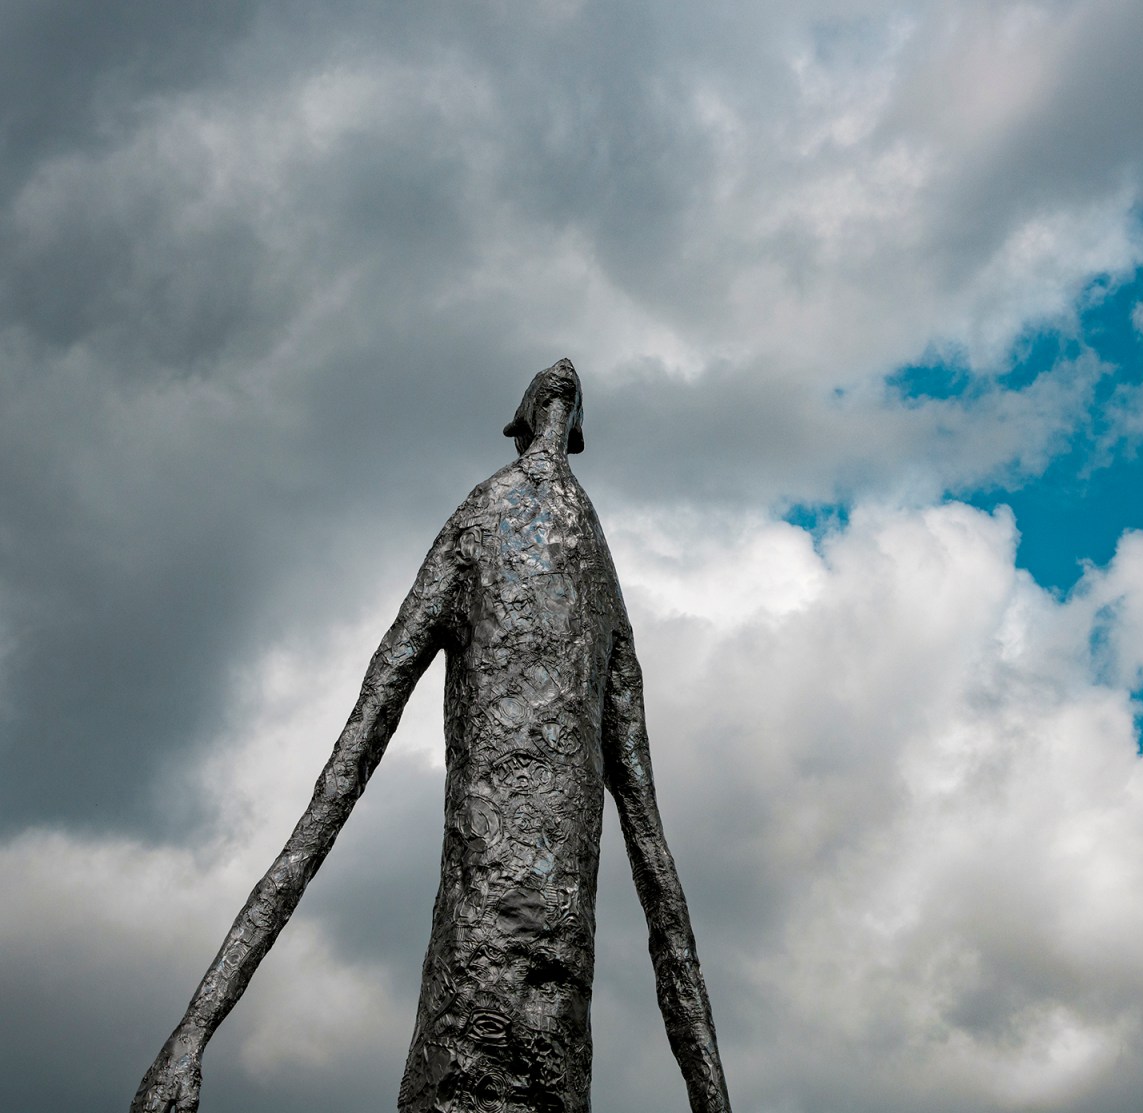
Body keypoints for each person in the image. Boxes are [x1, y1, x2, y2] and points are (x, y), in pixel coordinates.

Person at [131, 359, 732, 1113]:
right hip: (557, 995)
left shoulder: (480, 523)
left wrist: (192, 1031)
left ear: (521, 420)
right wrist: (712, 1094)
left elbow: (342, 777)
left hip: (473, 989)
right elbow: (658, 874)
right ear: (574, 428)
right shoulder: (600, 578)